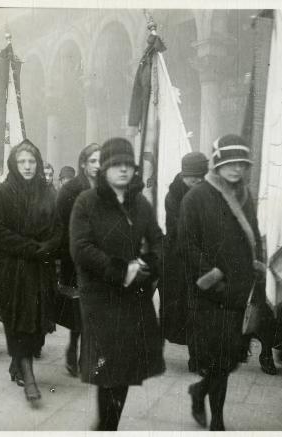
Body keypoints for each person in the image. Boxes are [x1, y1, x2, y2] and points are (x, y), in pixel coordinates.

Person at [70, 138, 165, 430]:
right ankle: (106, 426)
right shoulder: (87, 202)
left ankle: (107, 425)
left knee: (123, 369)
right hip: (101, 297)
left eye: (128, 165)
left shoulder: (140, 204)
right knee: (108, 369)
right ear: (104, 170)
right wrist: (121, 270)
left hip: (133, 298)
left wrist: (148, 264)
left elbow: (158, 240)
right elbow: (81, 248)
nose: (123, 171)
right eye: (116, 165)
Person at [181, 134, 264, 431]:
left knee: (230, 359)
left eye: (241, 164)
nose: (236, 170)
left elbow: (254, 236)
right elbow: (188, 245)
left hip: (240, 289)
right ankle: (217, 420)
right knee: (218, 359)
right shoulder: (197, 197)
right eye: (230, 163)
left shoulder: (245, 195)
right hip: (211, 293)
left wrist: (258, 271)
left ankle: (200, 391)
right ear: (217, 165)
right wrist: (212, 279)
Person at [0, 139, 61, 403]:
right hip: (13, 268)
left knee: (39, 323)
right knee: (21, 321)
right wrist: (31, 248)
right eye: (22, 162)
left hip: (41, 268)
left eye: (32, 162)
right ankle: (29, 377)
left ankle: (17, 362)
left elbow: (58, 229)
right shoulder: (1, 193)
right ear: (13, 164)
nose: (28, 167)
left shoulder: (48, 193)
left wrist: (48, 248)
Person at [55, 142, 100, 377]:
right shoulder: (71, 189)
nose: (98, 165)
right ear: (83, 163)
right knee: (78, 307)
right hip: (75, 257)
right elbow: (60, 225)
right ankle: (74, 349)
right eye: (93, 161)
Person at [160, 152, 208, 350]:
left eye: (200, 177)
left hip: (202, 255)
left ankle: (197, 352)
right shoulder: (173, 195)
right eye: (192, 177)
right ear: (183, 174)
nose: (196, 181)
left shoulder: (208, 191)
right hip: (177, 258)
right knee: (180, 307)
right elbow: (177, 230)